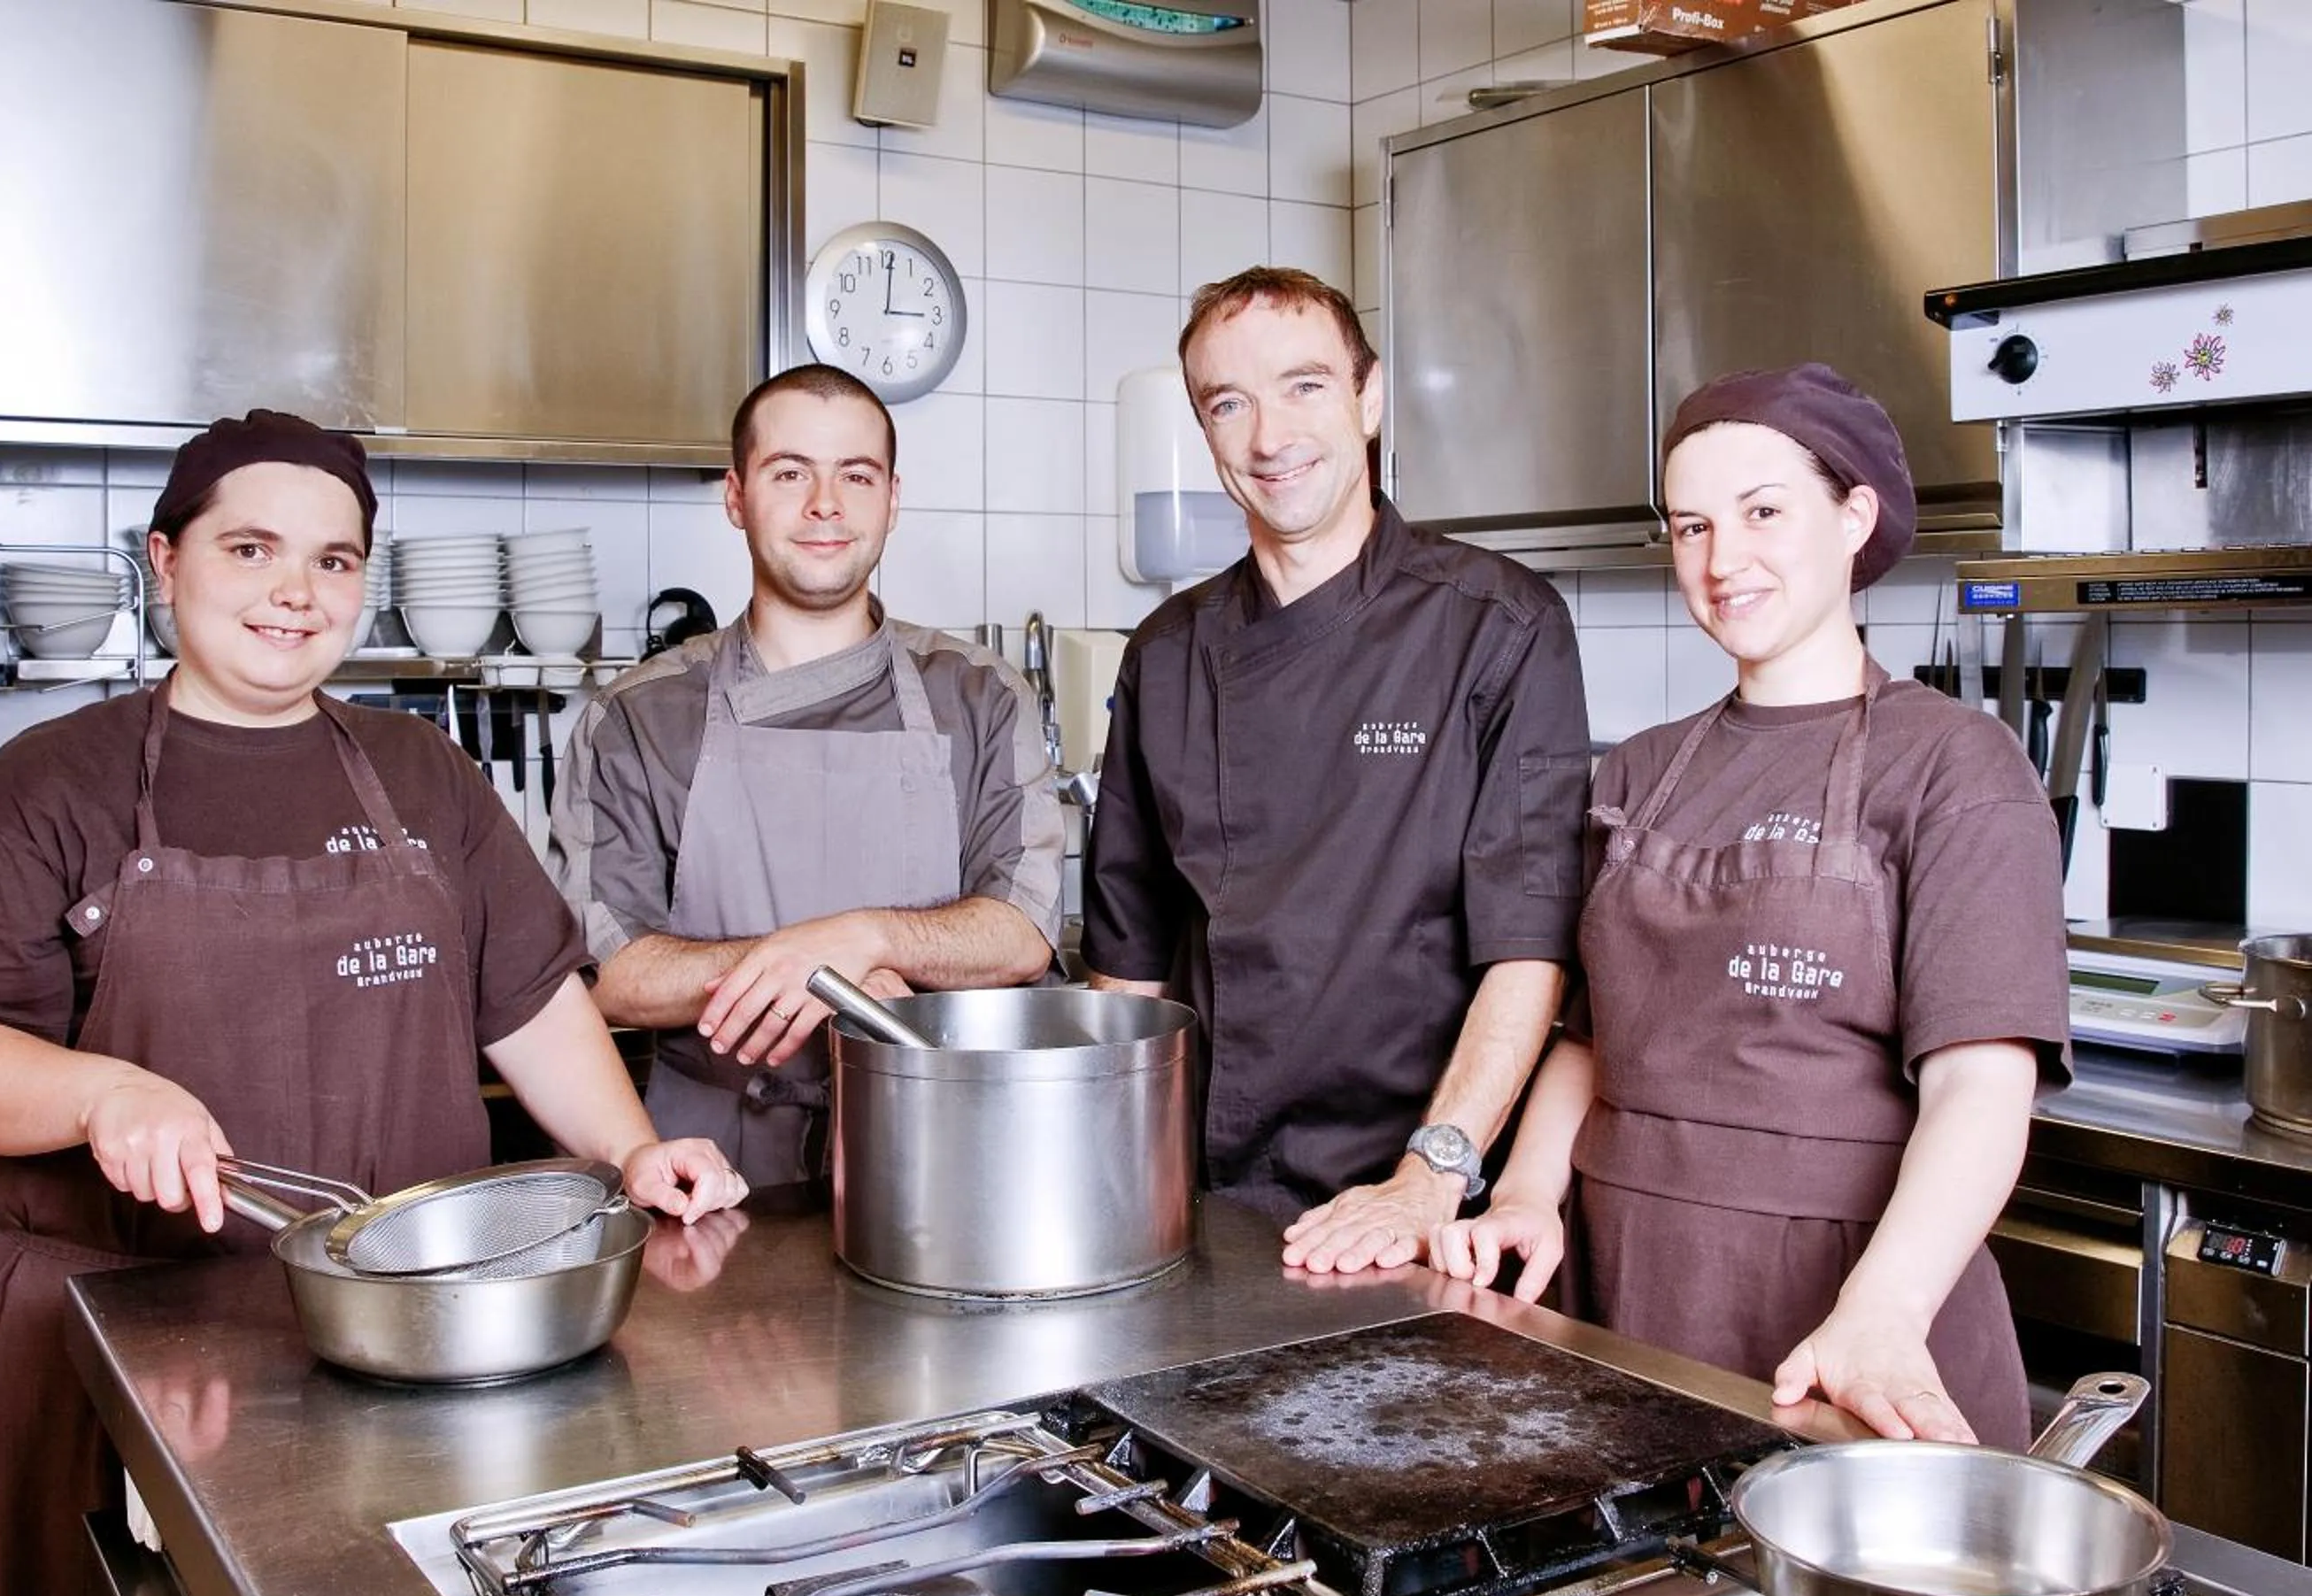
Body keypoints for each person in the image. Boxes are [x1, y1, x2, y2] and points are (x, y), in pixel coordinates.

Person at [0, 410, 745, 1596]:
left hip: (403, 1334)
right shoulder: (45, 785)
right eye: (253, 549)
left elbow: (527, 999)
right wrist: (104, 1092)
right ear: (164, 564)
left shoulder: (421, 774)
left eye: (335, 561)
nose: (298, 589)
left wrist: (635, 1151)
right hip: (120, 1336)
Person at [1427, 364, 2071, 1448]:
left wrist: (1883, 1309)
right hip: (1622, 1291)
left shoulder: (1957, 765)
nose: (1723, 562)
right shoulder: (1637, 768)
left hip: (1848, 1303)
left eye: (1764, 511)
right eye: (1691, 526)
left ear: (1854, 516)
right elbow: (1594, 1037)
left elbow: (1979, 1083)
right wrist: (1529, 1191)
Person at [1083, 266, 1592, 1258]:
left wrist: (1428, 1177)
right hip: (1202, 1200)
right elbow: (1127, 970)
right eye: (1229, 403)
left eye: (1305, 385)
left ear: (1369, 397)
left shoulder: (1499, 625)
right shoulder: (1167, 653)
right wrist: (1113, 1183)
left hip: (1428, 1208)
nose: (1270, 436)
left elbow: (1529, 945)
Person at [549, 365, 1063, 1199]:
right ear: (736, 496)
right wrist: (821, 975)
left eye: (855, 476)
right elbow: (608, 970)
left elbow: (1023, 930)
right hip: (710, 1169)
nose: (825, 504)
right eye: (790, 473)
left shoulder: (980, 695)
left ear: (892, 499)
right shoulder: (639, 718)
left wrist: (867, 938)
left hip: (940, 1155)